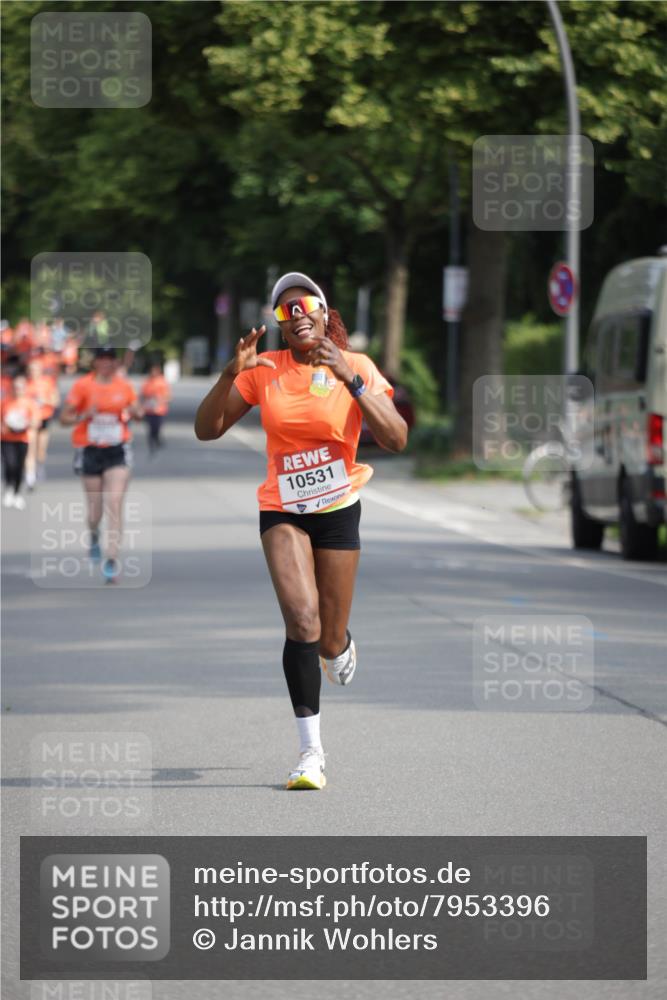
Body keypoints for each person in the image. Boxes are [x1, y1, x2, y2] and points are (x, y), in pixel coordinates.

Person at [195, 272, 408, 790]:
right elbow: (208, 429)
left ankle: (339, 647)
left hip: (337, 506)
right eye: (286, 310)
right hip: (283, 508)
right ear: (280, 325)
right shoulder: (264, 370)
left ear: (323, 312)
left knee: (329, 642)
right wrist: (228, 376)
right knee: (301, 619)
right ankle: (310, 754)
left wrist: (350, 379)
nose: (298, 315)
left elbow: (396, 437)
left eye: (306, 304)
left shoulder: (355, 366)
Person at [59, 347, 143, 582]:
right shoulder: (83, 386)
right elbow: (64, 419)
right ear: (95, 363)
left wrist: (136, 411)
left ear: (115, 363)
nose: (106, 364)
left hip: (117, 449)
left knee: (114, 503)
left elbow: (138, 412)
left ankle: (112, 559)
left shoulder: (124, 386)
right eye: (102, 360)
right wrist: (83, 415)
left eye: (110, 360)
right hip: (90, 449)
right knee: (95, 510)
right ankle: (94, 535)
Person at [1, 372, 41, 510]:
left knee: (19, 466)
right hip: (6, 438)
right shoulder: (4, 402)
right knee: (9, 464)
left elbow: (36, 421)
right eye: (15, 387)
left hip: (23, 438)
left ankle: (17, 492)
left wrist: (26, 424)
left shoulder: (29, 403)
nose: (18, 389)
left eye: (21, 387)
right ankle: (8, 489)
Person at [25, 356, 60, 487]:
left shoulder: (48, 382)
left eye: (36, 369)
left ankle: (39, 466)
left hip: (44, 417)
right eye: (31, 369)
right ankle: (30, 475)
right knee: (30, 447)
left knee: (41, 450)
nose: (34, 372)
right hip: (30, 421)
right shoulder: (25, 384)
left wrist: (43, 401)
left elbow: (56, 401)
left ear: (41, 370)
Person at [140, 360, 172, 454]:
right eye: (152, 370)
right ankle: (151, 444)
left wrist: (160, 399)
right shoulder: (147, 382)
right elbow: (142, 395)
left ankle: (157, 439)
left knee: (157, 427)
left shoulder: (162, 381)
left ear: (158, 371)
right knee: (150, 428)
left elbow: (168, 396)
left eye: (155, 370)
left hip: (159, 410)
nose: (153, 372)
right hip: (149, 410)